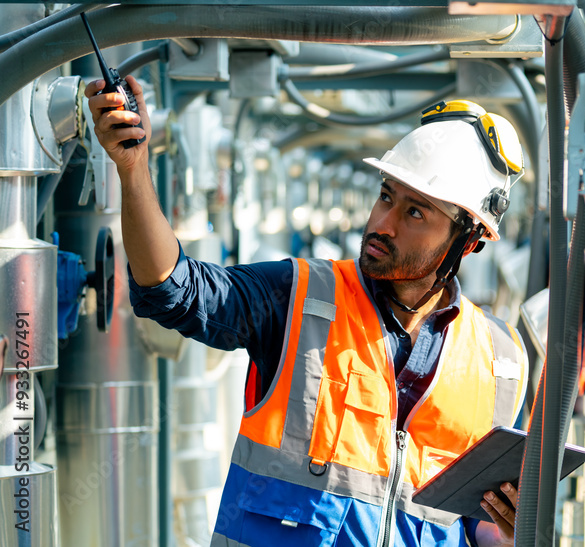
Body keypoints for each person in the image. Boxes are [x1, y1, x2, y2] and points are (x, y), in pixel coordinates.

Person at [85, 76, 530, 547]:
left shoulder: (500, 361)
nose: (383, 224)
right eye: (386, 196)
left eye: (415, 212)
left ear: (468, 241)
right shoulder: (296, 296)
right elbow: (172, 287)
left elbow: (480, 530)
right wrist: (133, 168)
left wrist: (512, 528)